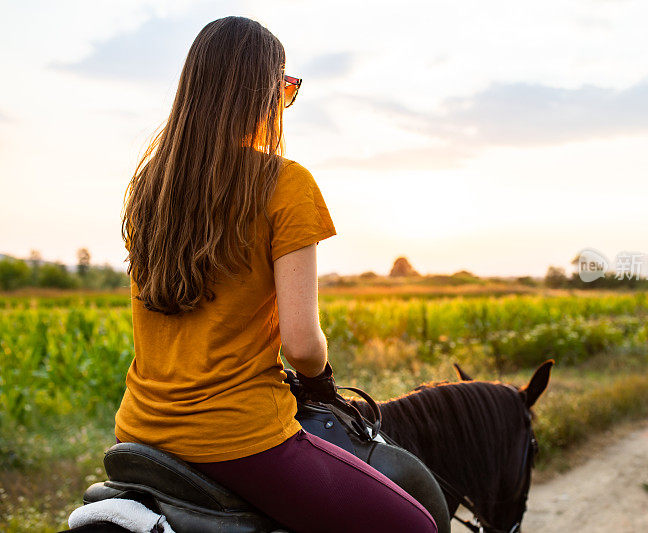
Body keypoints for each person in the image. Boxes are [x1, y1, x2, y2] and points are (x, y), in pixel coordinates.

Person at [113, 16, 436, 533]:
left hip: (138, 431)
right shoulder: (285, 183)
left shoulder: (153, 184)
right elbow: (302, 344)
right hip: (237, 437)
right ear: (260, 95)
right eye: (283, 89)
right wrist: (321, 385)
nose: (282, 104)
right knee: (416, 527)